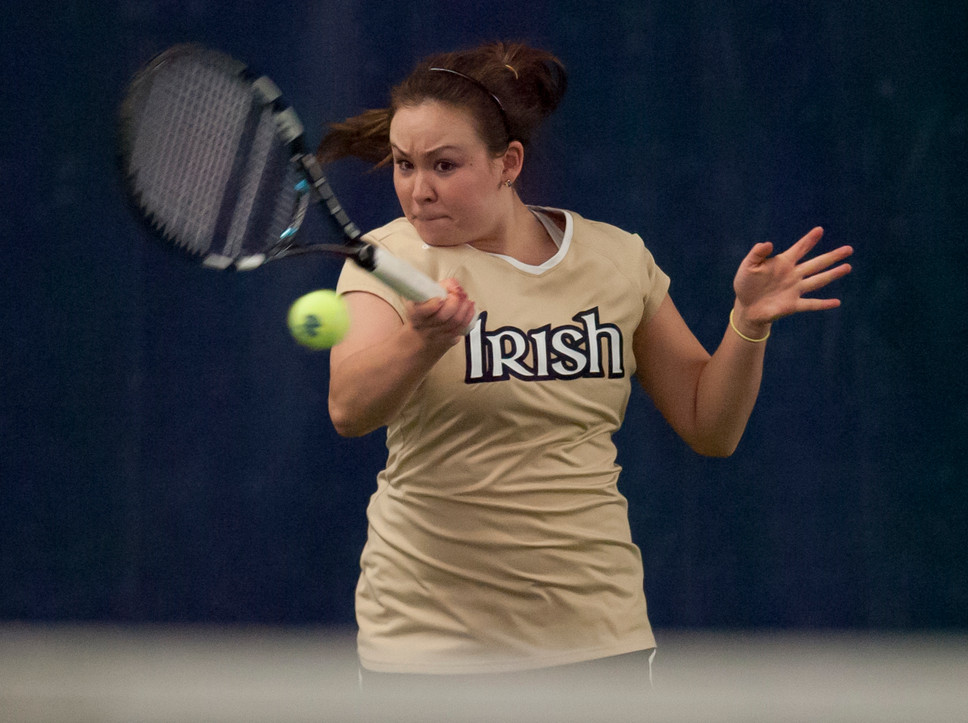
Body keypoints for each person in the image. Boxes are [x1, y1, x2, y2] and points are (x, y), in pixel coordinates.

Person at [317, 41, 853, 690]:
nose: (418, 190)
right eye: (404, 164)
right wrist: (421, 341)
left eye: (444, 165)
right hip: (428, 648)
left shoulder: (616, 260)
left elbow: (709, 426)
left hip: (598, 641)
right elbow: (349, 408)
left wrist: (748, 322)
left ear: (508, 163)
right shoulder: (384, 258)